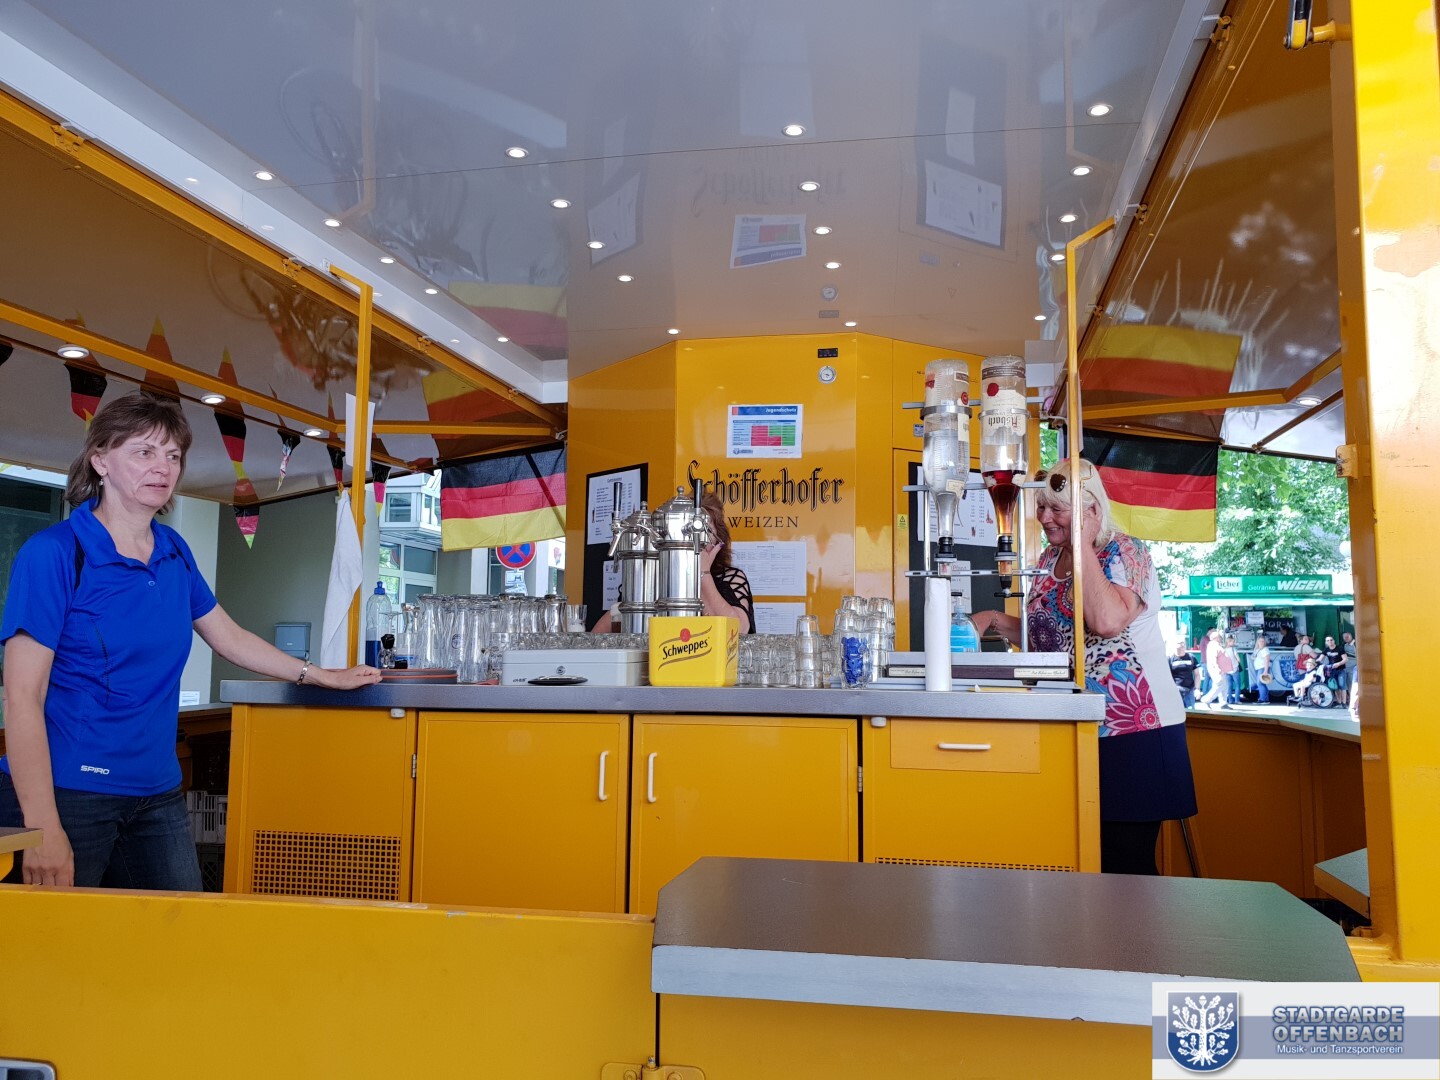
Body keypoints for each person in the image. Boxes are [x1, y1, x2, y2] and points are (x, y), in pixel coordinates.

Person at [0, 392, 381, 890]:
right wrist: (42, 827)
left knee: (178, 930)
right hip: (69, 790)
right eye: (143, 452)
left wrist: (319, 675)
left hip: (157, 790)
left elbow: (228, 636)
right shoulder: (54, 554)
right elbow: (22, 697)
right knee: (61, 940)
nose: (162, 467)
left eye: (173, 455)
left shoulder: (173, 550)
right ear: (100, 460)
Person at [972, 459, 1196, 875]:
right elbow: (1050, 632)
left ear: (1092, 510)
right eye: (1041, 507)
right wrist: (992, 619)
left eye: (1057, 509)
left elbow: (1106, 620)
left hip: (1134, 728)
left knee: (1124, 865)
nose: (1044, 518)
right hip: (1074, 723)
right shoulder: (1048, 557)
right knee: (1080, 861)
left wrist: (1083, 545)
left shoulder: (1125, 551)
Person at [594, 490, 755, 634]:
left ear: (718, 538)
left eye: (706, 530)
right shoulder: (654, 579)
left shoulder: (730, 577)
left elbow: (738, 630)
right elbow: (598, 634)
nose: (697, 538)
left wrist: (702, 574)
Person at [1197, 628, 1230, 710]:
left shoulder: (1216, 644)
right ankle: (1206, 700)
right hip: (1217, 669)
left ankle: (1223, 703)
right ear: (1215, 638)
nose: (1221, 638)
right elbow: (1213, 658)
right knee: (1219, 685)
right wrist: (1217, 668)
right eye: (1219, 637)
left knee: (1224, 685)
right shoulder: (1213, 645)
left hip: (1221, 669)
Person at [1168, 640, 1200, 710]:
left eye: (1183, 645)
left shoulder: (1191, 657)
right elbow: (1167, 676)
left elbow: (1197, 674)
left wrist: (1197, 689)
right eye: (1179, 645)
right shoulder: (1170, 659)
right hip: (1176, 691)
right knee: (1176, 712)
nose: (1181, 647)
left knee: (1191, 712)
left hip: (1189, 690)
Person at [1320, 634, 1350, 707]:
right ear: (1326, 642)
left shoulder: (1340, 648)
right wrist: (1311, 662)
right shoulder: (1326, 650)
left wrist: (1339, 664)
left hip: (1340, 670)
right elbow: (1320, 658)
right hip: (1332, 671)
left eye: (1331, 640)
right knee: (1335, 686)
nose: (1330, 642)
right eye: (1328, 640)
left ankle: (1344, 703)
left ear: (1334, 641)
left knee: (1342, 686)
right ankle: (1339, 702)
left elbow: (1346, 659)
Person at [1252, 633, 1273, 704]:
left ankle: (1263, 699)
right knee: (1262, 683)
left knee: (1260, 683)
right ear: (1257, 642)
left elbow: (1267, 660)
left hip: (1262, 668)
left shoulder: (1265, 650)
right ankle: (1265, 699)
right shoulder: (1258, 650)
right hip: (1259, 668)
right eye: (1260, 641)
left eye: (1263, 641)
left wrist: (1265, 671)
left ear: (1265, 642)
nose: (1261, 643)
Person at [1222, 634, 1241, 704]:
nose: (1234, 643)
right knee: (1237, 685)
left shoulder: (1223, 650)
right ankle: (1237, 700)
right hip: (1234, 669)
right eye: (1233, 642)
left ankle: (1230, 700)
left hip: (1227, 671)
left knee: (1229, 686)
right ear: (1229, 642)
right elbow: (1239, 660)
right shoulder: (1233, 649)